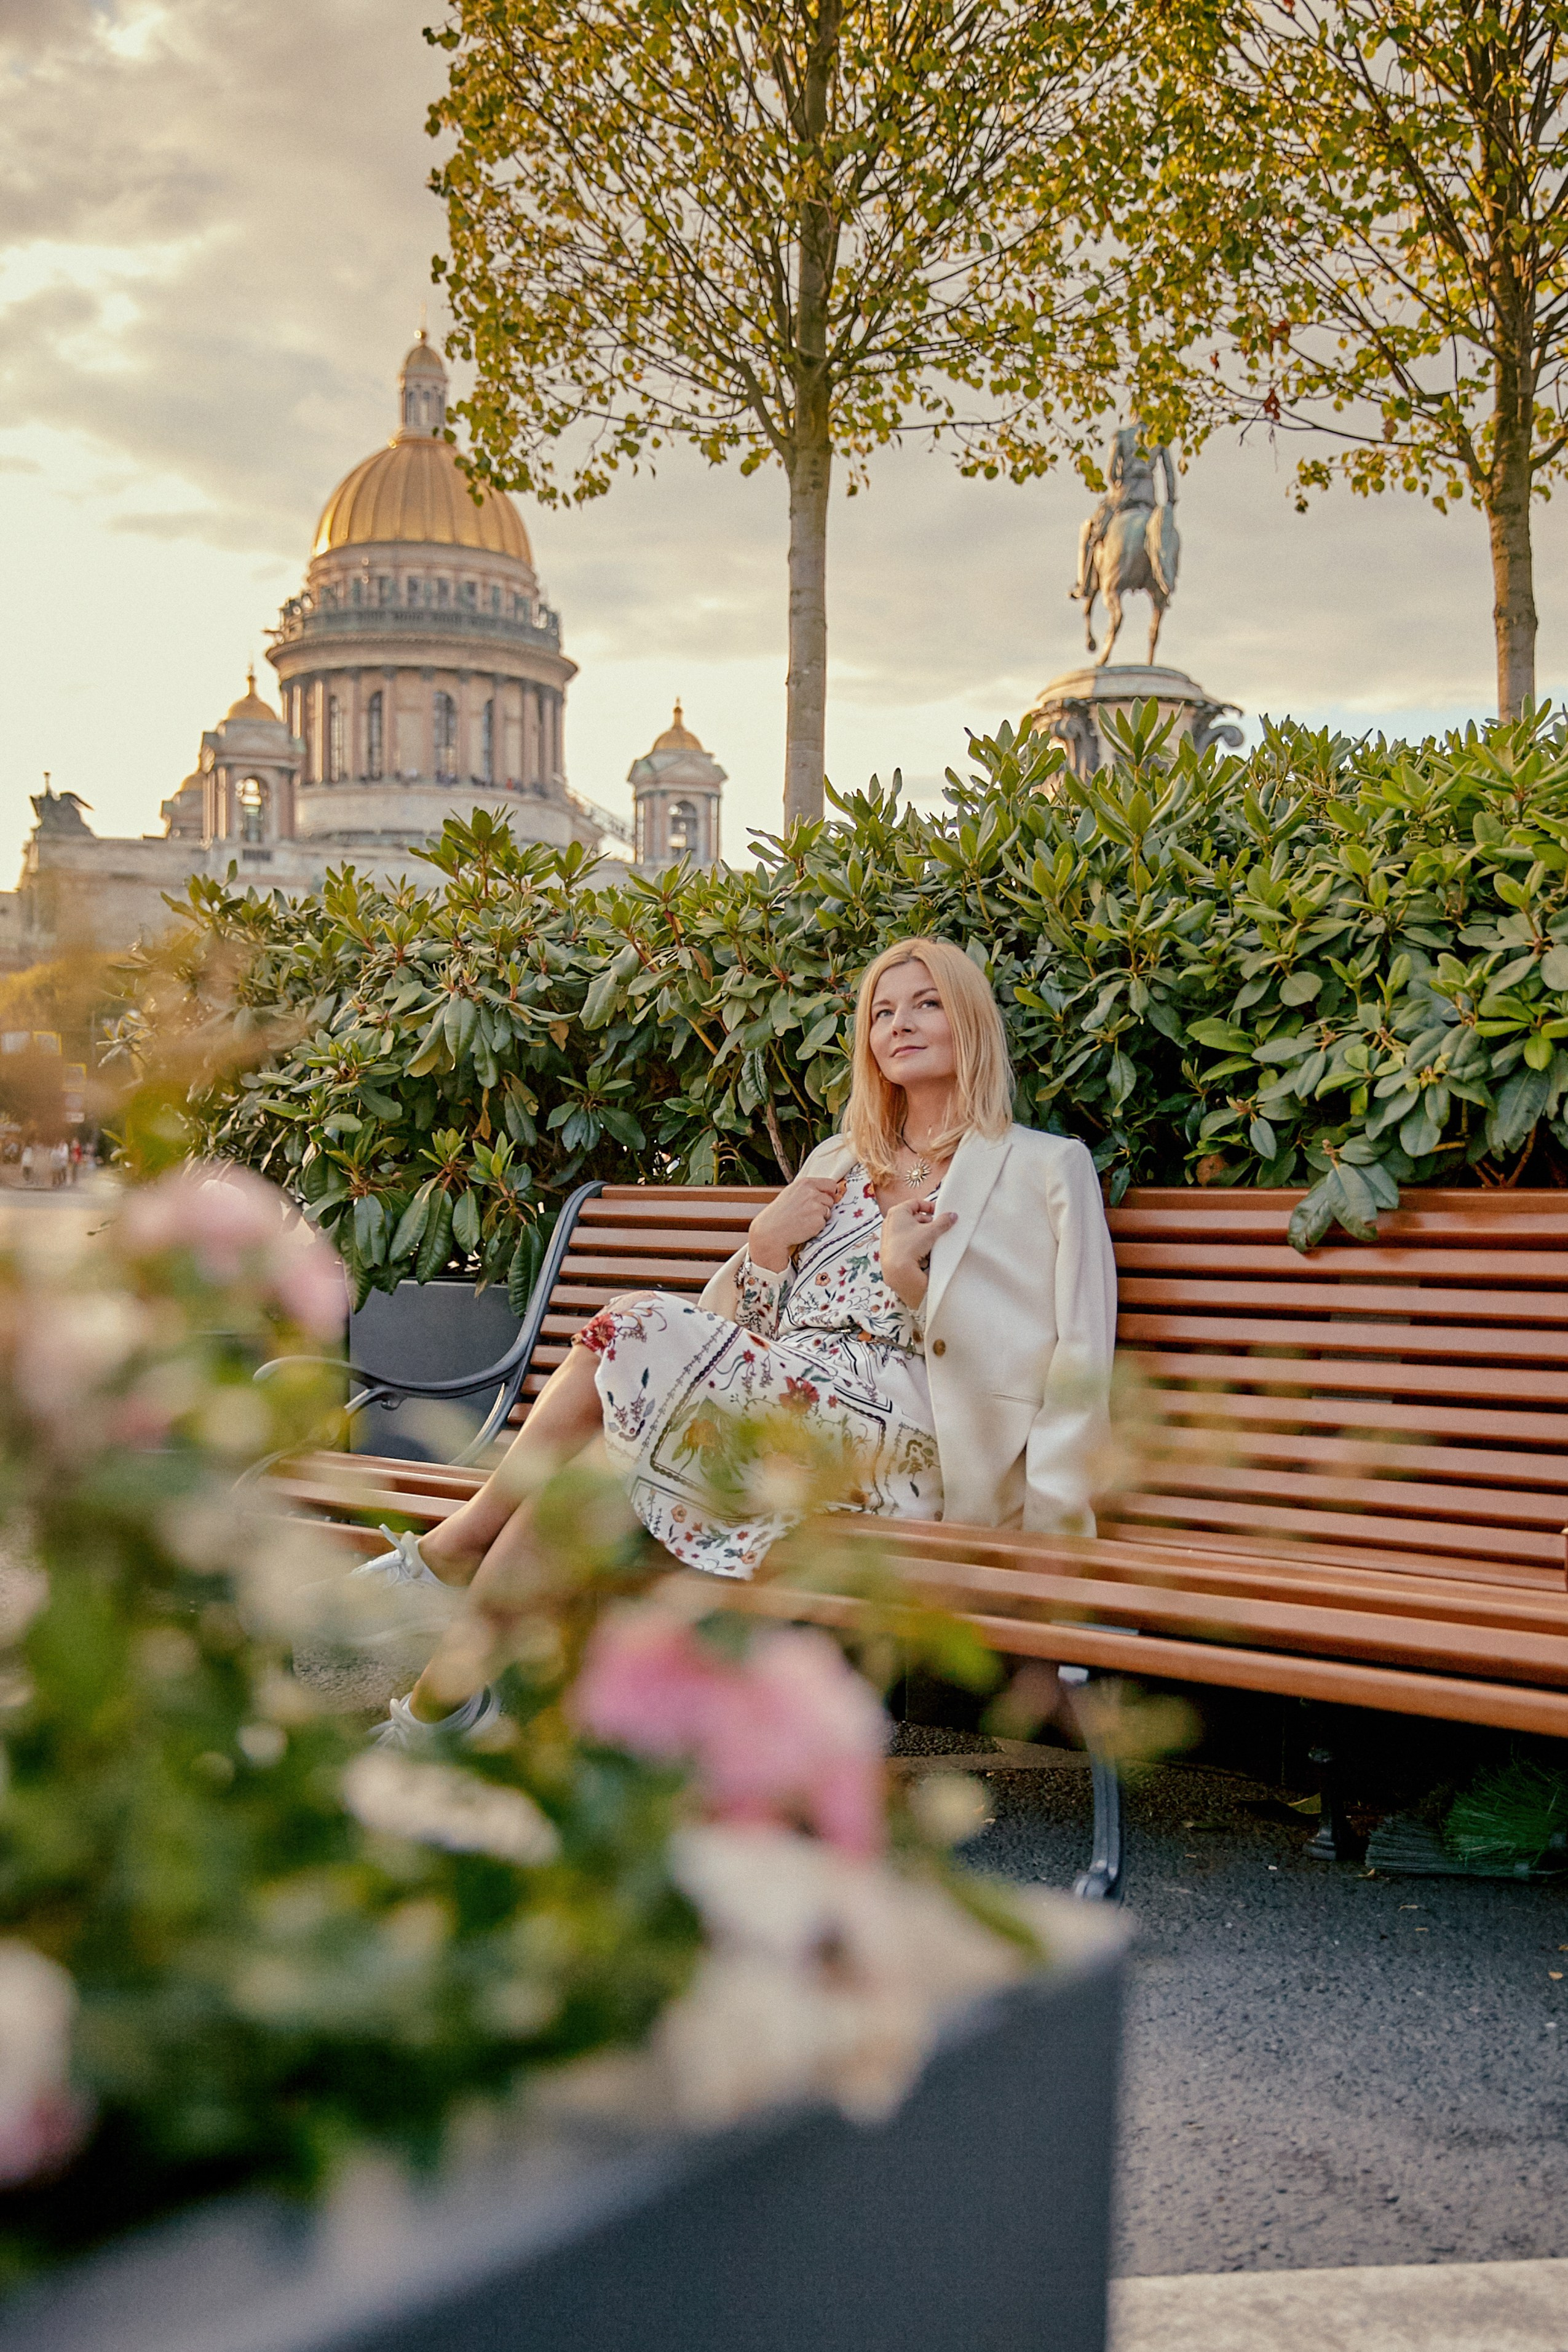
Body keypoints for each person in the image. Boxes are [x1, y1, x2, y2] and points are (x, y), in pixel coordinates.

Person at [360, 938, 1118, 1748]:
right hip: (781, 1406)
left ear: (968, 1019)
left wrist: (912, 1285)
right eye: (881, 1012)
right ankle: (440, 1714)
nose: (900, 1024)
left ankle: (453, 1548)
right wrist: (762, 1248)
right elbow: (744, 1334)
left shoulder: (1044, 1168)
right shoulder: (838, 1162)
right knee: (588, 1479)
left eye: (925, 1003)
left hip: (901, 1447)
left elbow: (1072, 1362)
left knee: (634, 1321)